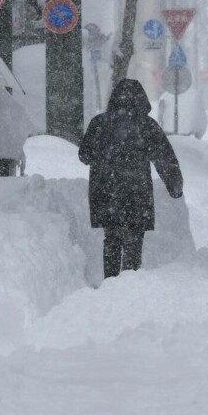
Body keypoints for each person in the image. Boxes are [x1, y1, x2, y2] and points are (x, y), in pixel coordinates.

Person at [79, 79, 183, 279]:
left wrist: (105, 155)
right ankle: (130, 280)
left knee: (111, 239)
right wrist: (174, 185)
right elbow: (164, 157)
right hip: (136, 192)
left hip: (106, 191)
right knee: (134, 239)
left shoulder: (99, 123)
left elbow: (84, 155)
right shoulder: (147, 125)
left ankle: (110, 280)